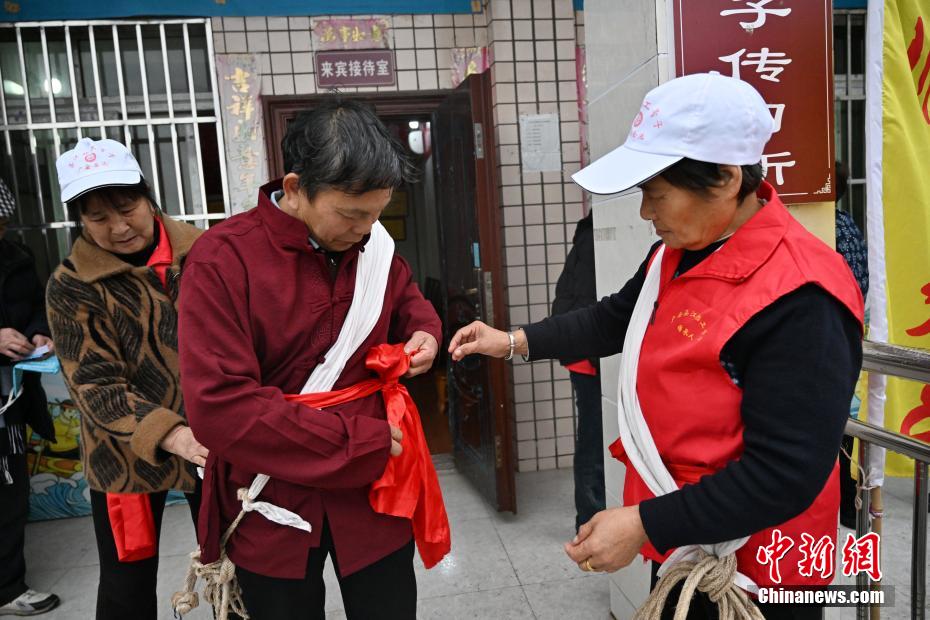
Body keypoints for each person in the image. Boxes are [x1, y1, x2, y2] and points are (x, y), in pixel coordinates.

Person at [449, 73, 863, 619]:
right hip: (684, 531)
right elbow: (615, 318)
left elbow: (784, 475)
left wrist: (644, 522)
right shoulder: (679, 253)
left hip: (757, 570)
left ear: (725, 179)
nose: (646, 213)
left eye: (655, 194)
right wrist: (514, 341)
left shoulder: (801, 296)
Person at [178, 99, 444, 620]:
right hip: (270, 493)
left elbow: (407, 300)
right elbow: (219, 407)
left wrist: (424, 335)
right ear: (296, 188)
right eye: (351, 214)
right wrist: (355, 442)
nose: (366, 229)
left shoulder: (374, 247)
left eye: (376, 212)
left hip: (375, 492)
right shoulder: (222, 259)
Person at [46, 138, 206, 620]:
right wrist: (171, 432)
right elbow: (95, 384)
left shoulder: (204, 252)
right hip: (123, 455)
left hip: (215, 441)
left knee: (237, 562)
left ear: (147, 195)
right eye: (98, 217)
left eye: (127, 206)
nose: (119, 227)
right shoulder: (72, 284)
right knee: (126, 581)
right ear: (78, 219)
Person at [0, 179, 60, 617]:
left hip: (9, 400)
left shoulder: (16, 257)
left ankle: (7, 588)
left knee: (9, 495)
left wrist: (40, 331)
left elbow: (38, 304)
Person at [550, 211, 606, 531]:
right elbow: (588, 300)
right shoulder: (595, 235)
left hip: (585, 351)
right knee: (593, 438)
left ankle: (591, 514)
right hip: (589, 355)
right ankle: (588, 519)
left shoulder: (588, 229)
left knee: (592, 435)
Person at [833, 160, 869, 530]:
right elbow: (863, 280)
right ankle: (846, 501)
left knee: (838, 421)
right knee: (845, 419)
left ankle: (844, 500)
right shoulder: (847, 223)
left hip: (834, 336)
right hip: (851, 329)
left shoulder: (826, 227)